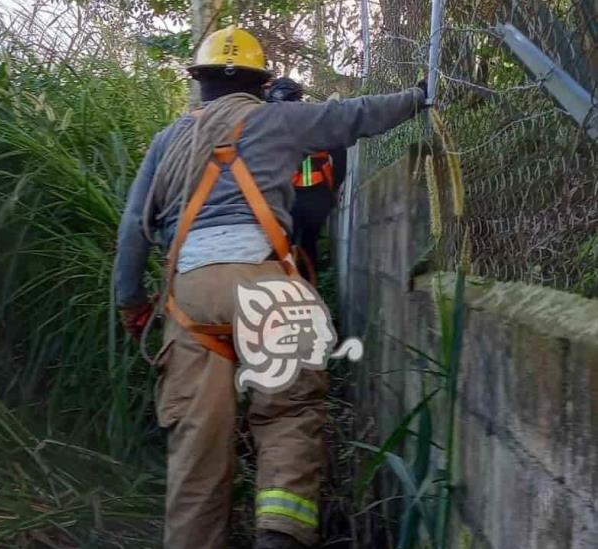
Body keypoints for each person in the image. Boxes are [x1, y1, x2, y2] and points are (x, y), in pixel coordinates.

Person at [114, 25, 426, 549]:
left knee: (196, 443)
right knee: (288, 414)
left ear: (199, 83)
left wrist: (132, 304)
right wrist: (418, 96)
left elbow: (132, 230)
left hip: (189, 295)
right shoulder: (280, 119)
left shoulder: (167, 139)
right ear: (261, 84)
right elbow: (357, 117)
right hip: (266, 285)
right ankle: (279, 535)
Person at [266, 77, 347, 273]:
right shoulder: (316, 120)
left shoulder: (270, 125)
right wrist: (333, 190)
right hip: (317, 196)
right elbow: (340, 155)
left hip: (289, 198)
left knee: (283, 245)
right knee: (309, 244)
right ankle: (308, 287)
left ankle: (285, 287)